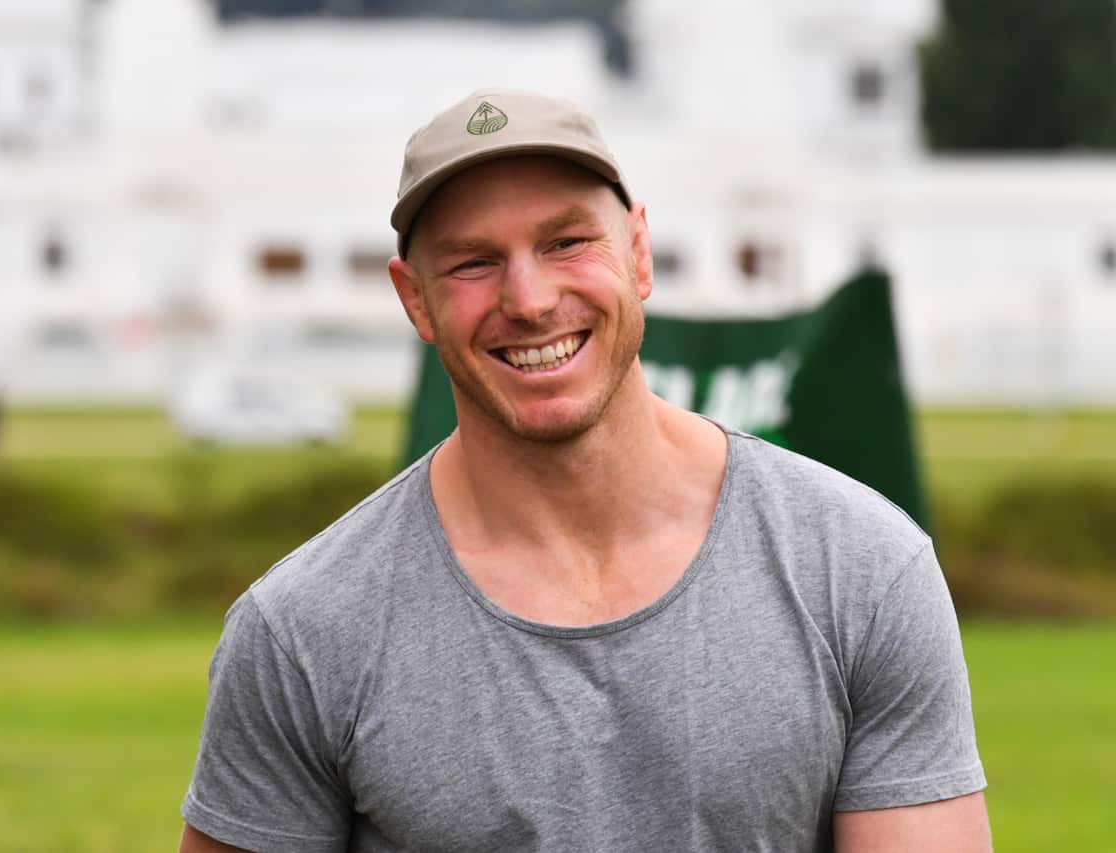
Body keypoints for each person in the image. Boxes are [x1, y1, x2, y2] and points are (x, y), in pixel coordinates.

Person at [179, 89, 990, 852]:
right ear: (415, 300)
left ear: (639, 252)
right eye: (472, 262)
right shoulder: (303, 632)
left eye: (565, 241)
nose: (529, 299)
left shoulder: (862, 571)